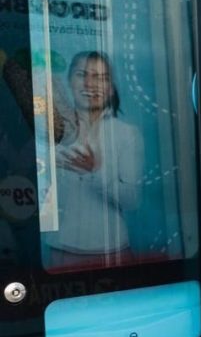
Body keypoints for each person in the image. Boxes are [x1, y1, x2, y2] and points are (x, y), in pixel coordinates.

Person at [32, 51, 143, 271]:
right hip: (61, 250)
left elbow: (133, 201)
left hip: (113, 251)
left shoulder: (126, 134)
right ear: (69, 82)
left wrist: (96, 173)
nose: (89, 83)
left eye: (100, 77)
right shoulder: (49, 133)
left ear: (111, 88)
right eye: (81, 74)